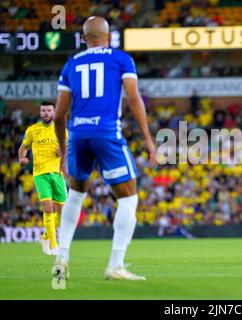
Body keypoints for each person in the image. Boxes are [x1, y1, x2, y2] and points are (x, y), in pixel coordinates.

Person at [53, 16, 156, 281]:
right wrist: (147, 138)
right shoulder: (121, 59)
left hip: (77, 135)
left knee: (75, 194)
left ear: (84, 38)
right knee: (128, 197)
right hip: (106, 132)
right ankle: (116, 264)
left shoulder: (71, 64)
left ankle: (61, 257)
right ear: (109, 36)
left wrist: (64, 151)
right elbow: (134, 98)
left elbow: (58, 116)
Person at [18, 101, 68, 256]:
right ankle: (54, 246)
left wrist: (62, 152)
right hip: (40, 174)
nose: (46, 113)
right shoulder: (32, 130)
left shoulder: (61, 130)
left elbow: (67, 150)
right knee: (48, 208)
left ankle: (45, 237)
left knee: (61, 215)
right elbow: (23, 148)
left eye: (49, 110)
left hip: (57, 174)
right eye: (43, 110)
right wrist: (22, 158)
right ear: (40, 113)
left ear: (53, 112)